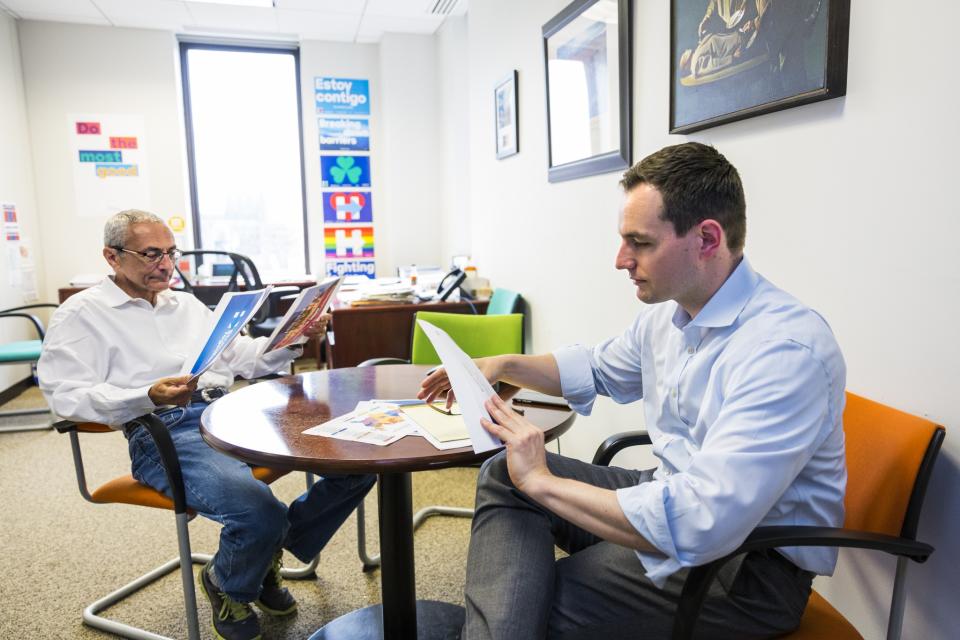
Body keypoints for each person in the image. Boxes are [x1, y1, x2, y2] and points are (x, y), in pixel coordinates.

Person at [419, 143, 846, 639]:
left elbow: (703, 519)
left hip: (746, 568)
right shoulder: (671, 315)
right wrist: (505, 363)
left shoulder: (785, 350)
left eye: (639, 243)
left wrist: (545, 481)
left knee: (536, 599)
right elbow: (596, 368)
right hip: (670, 493)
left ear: (707, 238)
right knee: (504, 476)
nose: (621, 260)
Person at [38, 210, 376, 640]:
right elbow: (64, 396)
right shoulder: (81, 314)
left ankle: (261, 554)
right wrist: (147, 395)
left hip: (232, 411)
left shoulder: (184, 304)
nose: (166, 264)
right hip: (163, 428)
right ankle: (227, 582)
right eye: (151, 254)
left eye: (171, 252)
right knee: (259, 513)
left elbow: (241, 358)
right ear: (112, 256)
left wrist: (296, 337)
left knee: (361, 458)